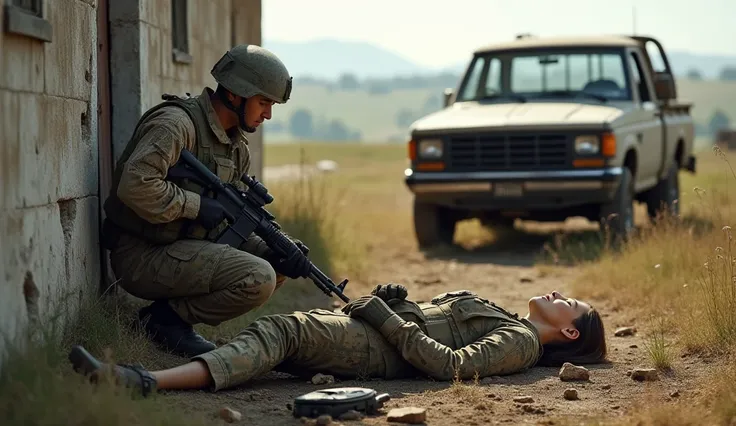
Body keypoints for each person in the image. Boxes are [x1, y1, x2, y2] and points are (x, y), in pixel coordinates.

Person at [99, 44, 311, 358]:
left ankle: (164, 317)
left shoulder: (236, 146)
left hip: (183, 246)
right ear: (237, 94)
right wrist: (195, 206)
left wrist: (277, 248)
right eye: (264, 102)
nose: (267, 114)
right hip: (141, 253)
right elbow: (135, 186)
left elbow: (234, 220)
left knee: (275, 262)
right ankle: (165, 321)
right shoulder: (176, 125)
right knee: (259, 276)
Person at [68, 284, 607, 396]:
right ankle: (208, 361)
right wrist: (397, 303)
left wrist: (383, 316)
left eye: (571, 302)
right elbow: (431, 322)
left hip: (378, 352)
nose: (560, 292)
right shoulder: (504, 315)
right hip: (377, 334)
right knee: (276, 342)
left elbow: (448, 366)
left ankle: (143, 382)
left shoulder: (521, 343)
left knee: (284, 330)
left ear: (568, 331)